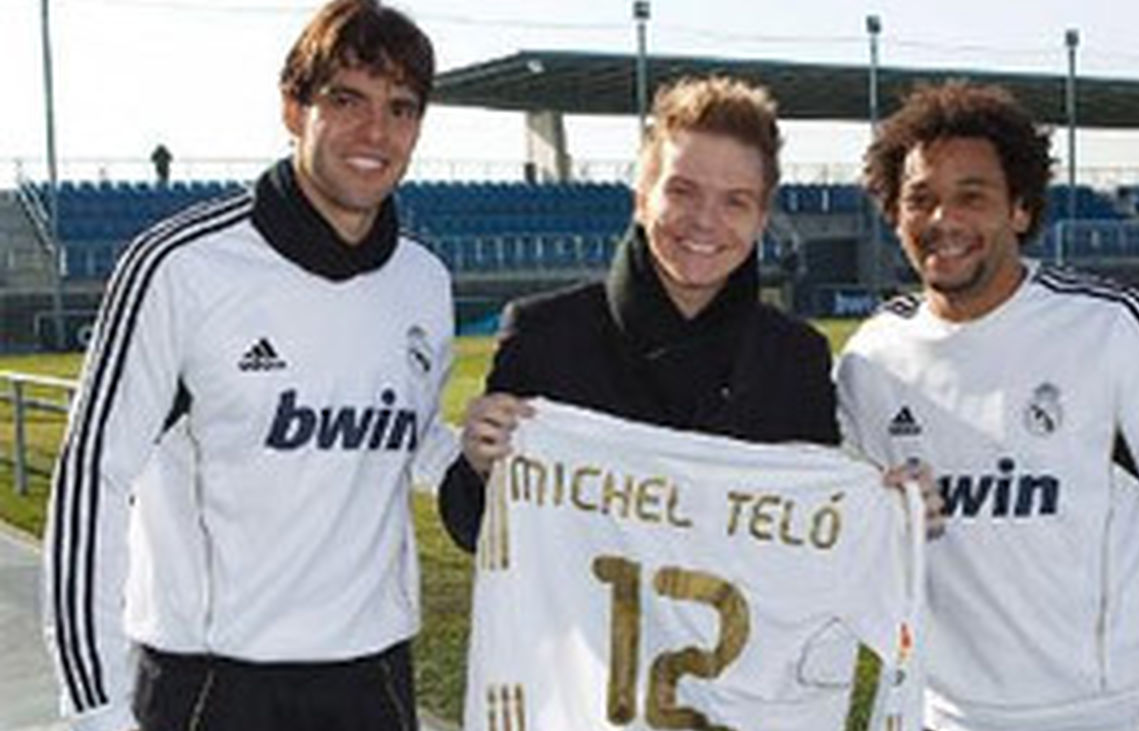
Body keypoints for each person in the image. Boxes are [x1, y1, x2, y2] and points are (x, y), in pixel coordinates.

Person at [43, 2, 456, 729]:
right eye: (346, 99)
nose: (375, 132)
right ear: (294, 109)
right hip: (214, 688)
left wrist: (496, 462)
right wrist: (94, 706)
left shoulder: (423, 281)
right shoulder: (181, 267)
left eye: (400, 108)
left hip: (375, 682)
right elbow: (90, 477)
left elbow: (409, 435)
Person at [836, 80, 1139, 731]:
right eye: (919, 198)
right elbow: (837, 535)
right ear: (894, 214)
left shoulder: (1110, 327)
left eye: (971, 196)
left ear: (1020, 207)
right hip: (945, 718)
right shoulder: (871, 361)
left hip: (1117, 715)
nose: (942, 219)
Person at [438, 75, 841, 551]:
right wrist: (481, 469)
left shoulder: (795, 358)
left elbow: (821, 534)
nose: (705, 220)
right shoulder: (546, 336)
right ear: (641, 198)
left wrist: (891, 506)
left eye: (735, 201)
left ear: (761, 218)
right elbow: (476, 533)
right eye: (682, 191)